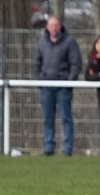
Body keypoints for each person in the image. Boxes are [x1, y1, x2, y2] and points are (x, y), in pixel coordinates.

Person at [33, 15, 82, 156]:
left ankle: (67, 148)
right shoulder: (41, 43)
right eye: (51, 25)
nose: (54, 28)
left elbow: (76, 63)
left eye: (56, 25)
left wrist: (69, 82)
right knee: (48, 119)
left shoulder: (70, 42)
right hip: (46, 86)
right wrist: (39, 80)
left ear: (60, 26)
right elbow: (36, 63)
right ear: (47, 27)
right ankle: (49, 147)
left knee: (66, 118)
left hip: (63, 87)